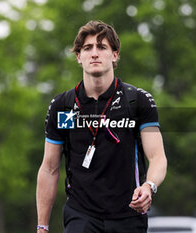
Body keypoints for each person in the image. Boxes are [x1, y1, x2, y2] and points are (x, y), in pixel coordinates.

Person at [36, 20, 167, 233]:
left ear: (114, 55)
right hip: (81, 215)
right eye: (87, 48)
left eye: (102, 47)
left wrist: (148, 186)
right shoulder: (65, 107)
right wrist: (42, 226)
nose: (94, 53)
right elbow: (50, 168)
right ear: (79, 57)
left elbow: (157, 157)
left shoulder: (136, 101)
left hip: (129, 214)